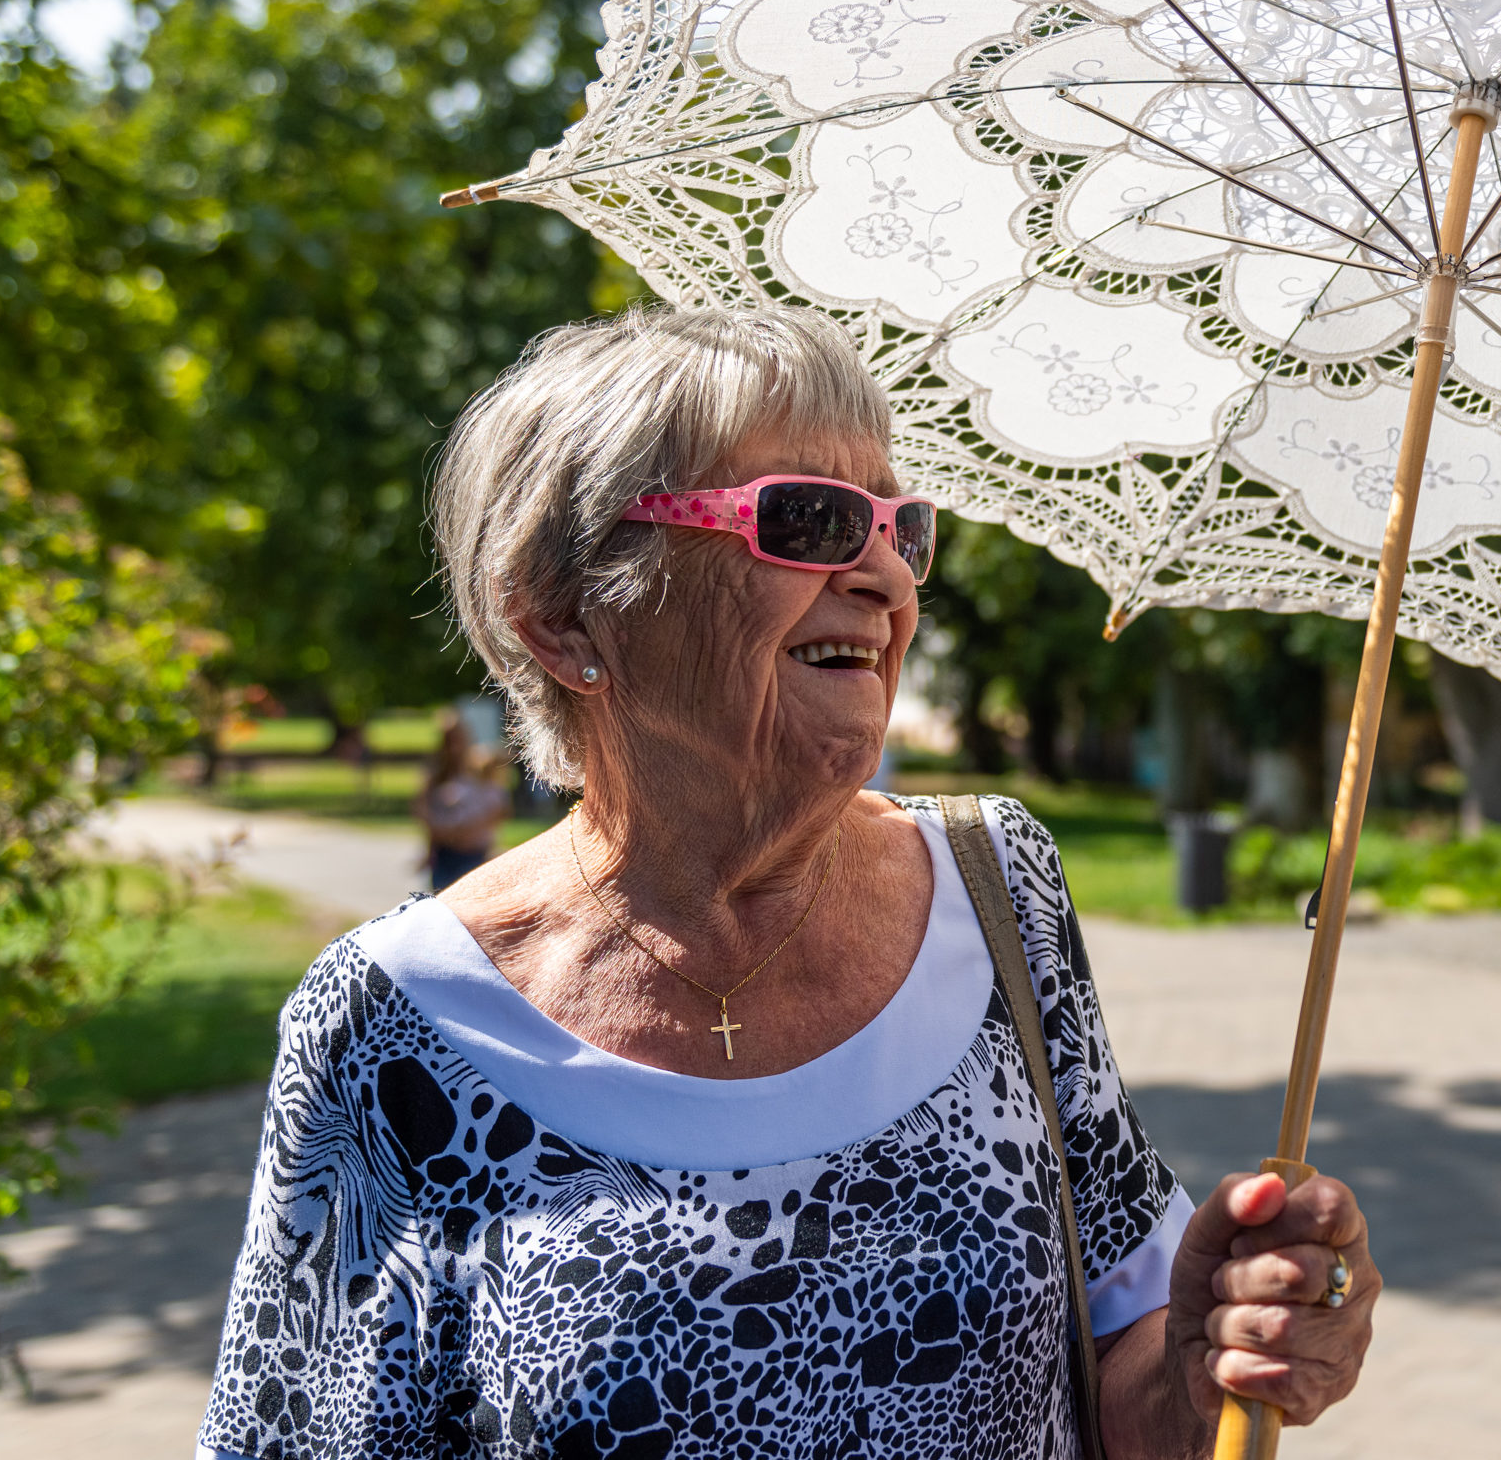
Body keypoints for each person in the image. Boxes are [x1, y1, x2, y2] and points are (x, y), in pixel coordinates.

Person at [196, 307, 1377, 1459]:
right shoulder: (398, 1022)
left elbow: (1115, 1386)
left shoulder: (997, 886)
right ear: (560, 617)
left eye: (898, 527)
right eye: (807, 520)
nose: (884, 577)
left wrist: (1212, 1356)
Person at [412, 707, 510, 890]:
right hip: (445, 853)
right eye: (450, 741)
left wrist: (468, 830)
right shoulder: (436, 774)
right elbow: (422, 810)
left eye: (458, 739)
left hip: (474, 852)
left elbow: (498, 805)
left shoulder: (478, 767)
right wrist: (441, 834)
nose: (455, 747)